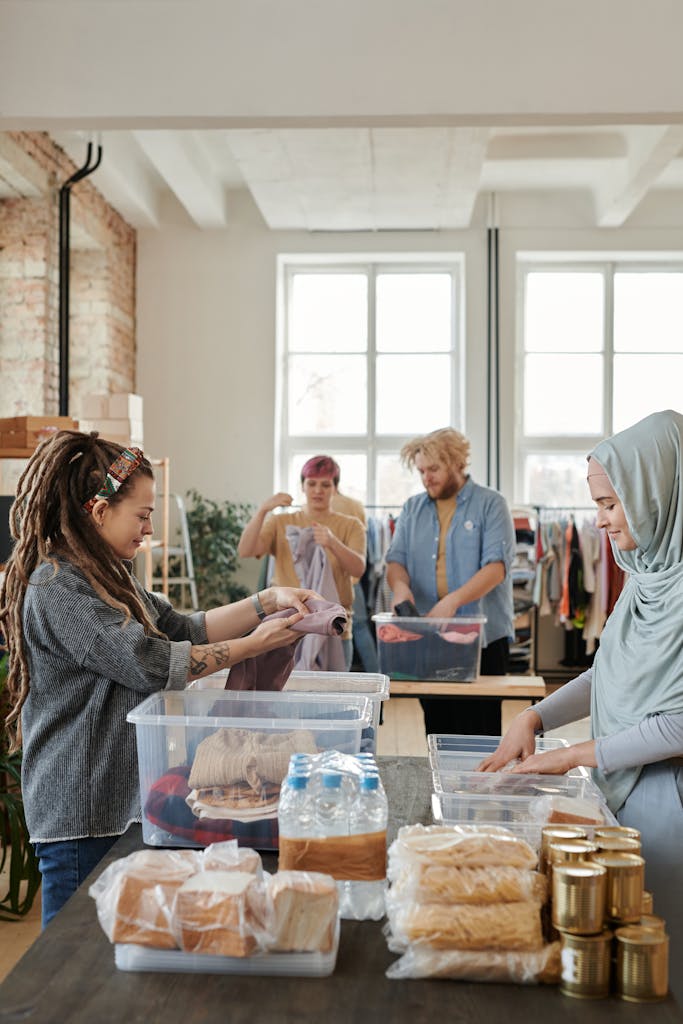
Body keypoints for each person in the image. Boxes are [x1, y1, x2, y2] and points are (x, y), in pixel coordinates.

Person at [0, 431, 319, 927]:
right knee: (68, 965)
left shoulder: (108, 574)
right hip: (80, 811)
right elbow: (150, 663)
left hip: (117, 801)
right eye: (143, 515)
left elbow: (181, 628)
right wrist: (255, 644)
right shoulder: (58, 586)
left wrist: (268, 601)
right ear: (100, 509)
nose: (149, 529)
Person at [479, 409, 683, 999]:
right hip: (624, 783)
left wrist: (575, 756)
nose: (599, 523)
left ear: (656, 493)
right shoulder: (646, 575)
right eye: (597, 505)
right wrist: (534, 716)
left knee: (660, 961)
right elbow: (608, 674)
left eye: (610, 505)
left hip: (667, 799)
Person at [385, 427, 515, 736]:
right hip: (430, 635)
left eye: (434, 469)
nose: (426, 477)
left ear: (457, 463)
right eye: (421, 471)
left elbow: (496, 568)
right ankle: (440, 784)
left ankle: (480, 785)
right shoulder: (412, 508)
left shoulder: (491, 504)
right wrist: (400, 588)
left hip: (483, 639)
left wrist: (453, 602)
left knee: (479, 728)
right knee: (438, 725)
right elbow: (395, 561)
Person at [238, 455, 366, 670]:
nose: (318, 490)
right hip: (285, 628)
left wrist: (333, 543)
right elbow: (246, 550)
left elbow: (358, 569)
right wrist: (262, 511)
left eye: (325, 484)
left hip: (334, 628)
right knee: (283, 698)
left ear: (335, 488)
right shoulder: (281, 522)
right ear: (302, 486)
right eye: (312, 483)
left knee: (333, 700)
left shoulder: (351, 525)